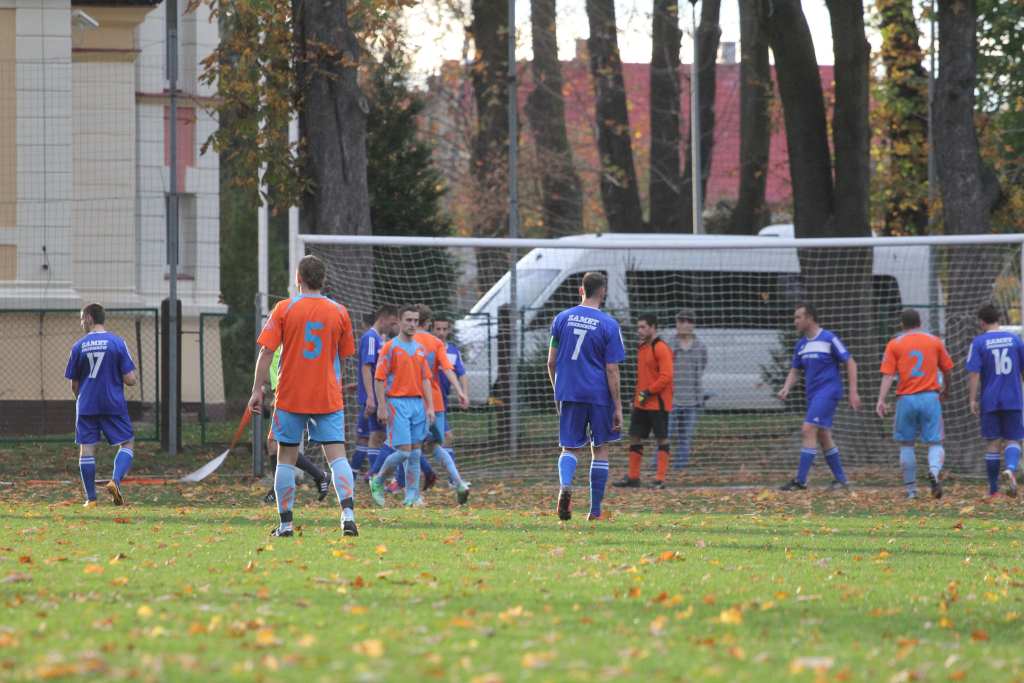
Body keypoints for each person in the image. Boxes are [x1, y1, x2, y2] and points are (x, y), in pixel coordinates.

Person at [248, 255, 358, 537]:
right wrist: (332, 382)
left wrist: (257, 390)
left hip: (291, 395)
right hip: (326, 395)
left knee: (285, 457)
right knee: (337, 457)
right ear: (324, 280)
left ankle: (285, 524)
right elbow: (344, 357)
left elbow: (266, 352)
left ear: (298, 279)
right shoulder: (339, 311)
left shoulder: (284, 308)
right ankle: (348, 516)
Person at [547, 272, 626, 521]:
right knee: (599, 449)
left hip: (569, 391)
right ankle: (594, 511)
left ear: (581, 290)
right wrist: (618, 406)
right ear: (603, 292)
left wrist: (557, 391)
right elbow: (611, 369)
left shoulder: (561, 319)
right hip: (599, 394)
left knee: (569, 447)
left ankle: (565, 487)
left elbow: (551, 361)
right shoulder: (609, 325)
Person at [777, 303, 861, 491]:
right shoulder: (801, 345)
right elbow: (794, 370)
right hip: (814, 396)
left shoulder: (829, 338)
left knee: (807, 429)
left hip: (829, 392)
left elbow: (850, 362)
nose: (795, 321)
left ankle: (800, 481)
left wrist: (853, 391)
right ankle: (841, 480)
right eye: (795, 318)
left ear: (810, 318)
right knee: (823, 435)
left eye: (798, 317)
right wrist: (786, 388)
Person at [876, 308, 954, 500]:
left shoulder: (894, 344)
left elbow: (888, 375)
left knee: (906, 444)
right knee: (935, 442)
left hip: (906, 399)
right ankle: (934, 473)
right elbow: (948, 369)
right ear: (920, 322)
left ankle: (911, 491)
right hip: (930, 397)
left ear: (902, 324)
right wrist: (947, 389)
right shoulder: (934, 341)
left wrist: (881, 399)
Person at [65, 303, 138, 507]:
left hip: (86, 402)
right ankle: (114, 481)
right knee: (127, 442)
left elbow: (74, 384)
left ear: (89, 317)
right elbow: (130, 379)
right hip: (112, 402)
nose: (81, 322)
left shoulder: (78, 346)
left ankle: (91, 499)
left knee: (86, 449)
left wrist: (82, 399)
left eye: (81, 318)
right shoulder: (117, 343)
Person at [369, 305, 435, 507]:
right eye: (409, 320)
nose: (413, 324)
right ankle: (377, 481)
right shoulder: (390, 347)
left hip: (417, 405)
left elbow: (425, 379)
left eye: (416, 321)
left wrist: (430, 406)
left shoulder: (419, 349)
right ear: (399, 321)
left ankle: (411, 497)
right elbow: (379, 379)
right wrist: (381, 405)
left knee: (415, 454)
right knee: (404, 452)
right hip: (397, 403)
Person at [414, 304, 472, 504]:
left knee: (410, 447)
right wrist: (461, 392)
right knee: (437, 446)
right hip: (437, 402)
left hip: (413, 400)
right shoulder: (436, 343)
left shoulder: (407, 341)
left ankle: (412, 495)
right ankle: (458, 482)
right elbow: (448, 370)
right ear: (429, 323)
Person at [966, 303, 1024, 498]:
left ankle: (993, 490)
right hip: (1013, 397)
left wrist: (972, 399)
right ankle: (1010, 468)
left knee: (992, 442)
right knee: (1013, 439)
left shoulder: (979, 342)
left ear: (981, 322)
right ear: (999, 319)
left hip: (990, 399)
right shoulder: (1015, 340)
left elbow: (974, 373)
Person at [261, 345, 330, 505]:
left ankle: (318, 476)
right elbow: (270, 362)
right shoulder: (275, 336)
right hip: (281, 393)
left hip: (287, 395)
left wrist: (281, 394)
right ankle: (318, 475)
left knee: (280, 445)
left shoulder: (287, 331)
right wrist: (265, 386)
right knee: (275, 445)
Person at [614, 313, 673, 489]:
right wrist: (636, 397)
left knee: (661, 439)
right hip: (642, 403)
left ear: (653, 327)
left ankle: (660, 480)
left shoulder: (661, 348)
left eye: (643, 327)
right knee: (634, 437)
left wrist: (648, 392)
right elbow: (643, 378)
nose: (639, 330)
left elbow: (666, 377)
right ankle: (633, 477)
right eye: (638, 327)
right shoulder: (642, 347)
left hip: (658, 404)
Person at [351, 305, 399, 477]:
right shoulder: (371, 338)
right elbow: (366, 368)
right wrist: (371, 397)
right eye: (392, 322)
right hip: (374, 397)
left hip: (377, 395)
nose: (392, 326)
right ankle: (375, 476)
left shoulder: (379, 339)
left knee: (377, 436)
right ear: (383, 318)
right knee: (379, 436)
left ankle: (371, 475)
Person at [668, 309, 708, 470]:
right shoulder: (669, 344)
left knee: (686, 437)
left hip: (692, 401)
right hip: (671, 400)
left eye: (688, 321)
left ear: (693, 324)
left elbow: (703, 366)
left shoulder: (701, 347)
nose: (684, 324)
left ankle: (680, 467)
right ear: (676, 324)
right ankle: (657, 465)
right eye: (681, 321)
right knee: (665, 436)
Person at [432, 315, 469, 471]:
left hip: (442, 403)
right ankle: (453, 479)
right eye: (438, 329)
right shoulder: (427, 347)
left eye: (444, 329)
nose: (441, 332)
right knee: (446, 437)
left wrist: (464, 394)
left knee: (424, 442)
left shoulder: (453, 351)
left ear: (449, 330)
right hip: (425, 401)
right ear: (431, 329)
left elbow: (462, 374)